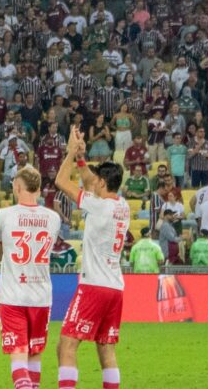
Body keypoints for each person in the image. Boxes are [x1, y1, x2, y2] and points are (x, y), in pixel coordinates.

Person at [53, 128, 127, 389]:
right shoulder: (122, 205)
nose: (91, 181)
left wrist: (71, 153)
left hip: (94, 286)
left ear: (103, 184)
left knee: (66, 345)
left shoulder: (99, 205)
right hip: (115, 287)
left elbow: (62, 182)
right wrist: (82, 158)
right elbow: (88, 179)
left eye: (96, 180)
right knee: (106, 349)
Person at [0, 165, 61, 389]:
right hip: (41, 296)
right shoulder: (53, 218)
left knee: (18, 355)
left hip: (13, 296)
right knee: (35, 355)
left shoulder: (3, 215)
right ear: (39, 190)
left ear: (18, 187)